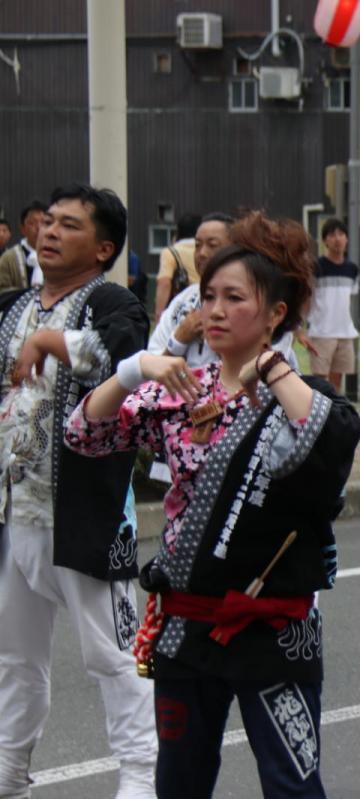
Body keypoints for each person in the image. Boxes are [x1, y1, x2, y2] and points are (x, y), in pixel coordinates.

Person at [64, 210, 360, 797]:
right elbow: (83, 434)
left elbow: (326, 445)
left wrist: (272, 366)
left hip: (274, 630)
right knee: (180, 782)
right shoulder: (180, 392)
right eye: (208, 297)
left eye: (234, 298)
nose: (216, 311)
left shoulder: (302, 397)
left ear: (276, 313)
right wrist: (132, 369)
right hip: (186, 627)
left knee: (293, 786)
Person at [0, 184, 156, 798]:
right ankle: (10, 774)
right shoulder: (10, 308)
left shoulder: (110, 299)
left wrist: (53, 342)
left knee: (113, 656)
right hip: (15, 511)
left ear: (103, 247)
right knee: (15, 659)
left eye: (69, 225)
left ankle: (142, 775)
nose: (49, 231)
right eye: (48, 222)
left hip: (83, 513)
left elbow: (127, 354)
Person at [148, 213, 301, 371]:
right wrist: (178, 340)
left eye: (213, 245)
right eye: (198, 245)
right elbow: (149, 371)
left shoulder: (262, 302)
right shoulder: (183, 302)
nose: (202, 253)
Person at [304, 217, 360, 394]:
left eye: (341, 234)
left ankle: (335, 418)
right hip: (321, 332)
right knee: (319, 381)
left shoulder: (352, 269)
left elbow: (349, 298)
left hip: (344, 331)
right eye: (332, 235)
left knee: (337, 382)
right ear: (325, 241)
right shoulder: (315, 267)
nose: (337, 239)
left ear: (347, 239)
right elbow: (306, 298)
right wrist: (302, 327)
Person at [154, 212, 200, 323]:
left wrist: (159, 314)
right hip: (205, 303)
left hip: (181, 308)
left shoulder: (171, 252)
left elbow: (164, 283)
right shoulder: (207, 251)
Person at [0, 201, 47, 291]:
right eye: (32, 223)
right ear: (23, 229)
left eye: (44, 222)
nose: (38, 227)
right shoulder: (8, 258)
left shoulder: (59, 256)